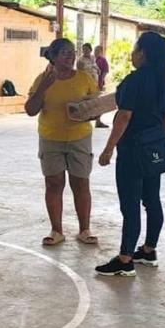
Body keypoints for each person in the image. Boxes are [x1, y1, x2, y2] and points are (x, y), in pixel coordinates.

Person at [95, 31, 165, 277]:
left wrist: (108, 150)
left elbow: (124, 116)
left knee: (130, 204)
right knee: (152, 200)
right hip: (153, 147)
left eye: (135, 49)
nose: (132, 53)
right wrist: (158, 143)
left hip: (132, 149)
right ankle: (149, 250)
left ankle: (126, 259)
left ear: (143, 53)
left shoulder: (134, 81)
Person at [26, 38, 100, 248]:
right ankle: (56, 230)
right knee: (54, 183)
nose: (70, 57)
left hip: (80, 137)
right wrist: (43, 88)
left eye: (72, 52)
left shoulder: (84, 78)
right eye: (65, 53)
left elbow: (95, 106)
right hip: (51, 138)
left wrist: (88, 112)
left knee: (80, 183)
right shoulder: (42, 79)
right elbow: (30, 110)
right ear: (54, 56)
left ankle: (84, 229)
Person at [94, 46, 110, 129]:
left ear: (101, 51)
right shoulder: (93, 59)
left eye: (97, 51)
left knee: (99, 103)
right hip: (91, 84)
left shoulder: (102, 60)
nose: (95, 52)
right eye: (95, 50)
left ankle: (98, 121)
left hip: (98, 84)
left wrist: (101, 81)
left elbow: (105, 71)